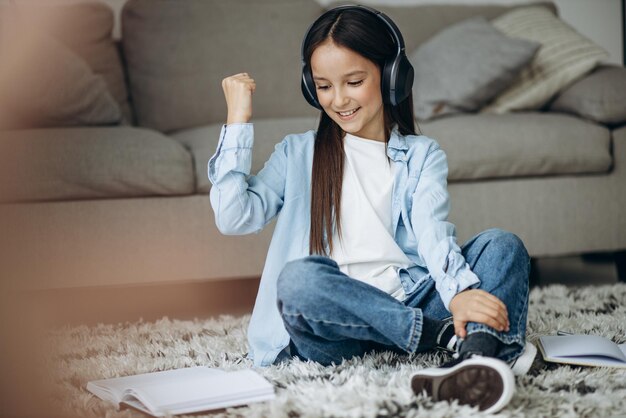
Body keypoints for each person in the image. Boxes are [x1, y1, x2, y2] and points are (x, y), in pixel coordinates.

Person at [209, 5, 536, 414]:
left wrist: (456, 295)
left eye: (354, 81)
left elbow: (433, 232)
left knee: (502, 245)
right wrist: (237, 121)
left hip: (410, 300)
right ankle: (460, 342)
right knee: (297, 281)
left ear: (392, 76)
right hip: (336, 326)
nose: (339, 99)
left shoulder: (421, 155)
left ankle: (475, 363)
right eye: (324, 86)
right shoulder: (298, 153)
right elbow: (234, 217)